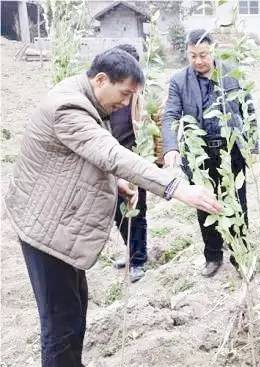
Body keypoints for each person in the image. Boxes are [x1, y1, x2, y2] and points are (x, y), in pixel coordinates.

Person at [3, 48, 222, 367]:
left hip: (55, 224)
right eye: (123, 94)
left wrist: (115, 183)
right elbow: (110, 153)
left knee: (74, 310)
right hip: (46, 231)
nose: (124, 104)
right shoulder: (69, 106)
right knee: (61, 323)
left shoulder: (82, 94)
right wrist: (174, 187)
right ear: (101, 79)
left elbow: (78, 156)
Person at [162, 29, 256, 278]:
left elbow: (248, 108)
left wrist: (253, 146)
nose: (199, 61)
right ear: (187, 53)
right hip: (198, 154)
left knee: (238, 203)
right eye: (193, 55)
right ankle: (213, 256)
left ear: (213, 50)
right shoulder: (179, 81)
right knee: (204, 204)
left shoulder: (232, 73)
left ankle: (241, 255)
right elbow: (171, 114)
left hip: (231, 150)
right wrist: (170, 147)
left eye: (203, 54)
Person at [108, 44, 149, 282]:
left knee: (137, 211)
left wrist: (158, 157)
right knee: (118, 212)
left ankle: (138, 260)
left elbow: (156, 121)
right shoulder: (109, 95)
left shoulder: (143, 96)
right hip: (110, 162)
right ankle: (131, 251)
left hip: (134, 160)